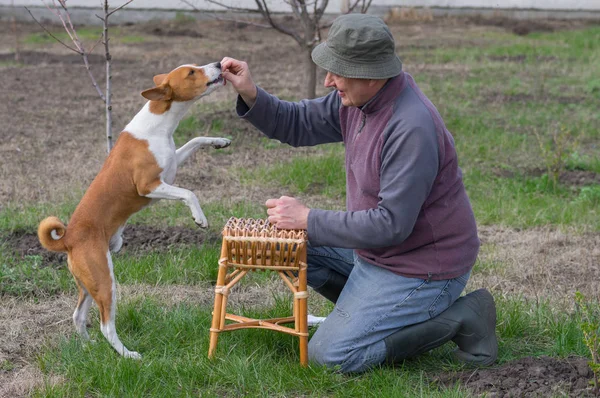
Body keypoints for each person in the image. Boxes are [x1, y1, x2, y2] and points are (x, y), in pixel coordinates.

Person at [220, 13, 497, 373]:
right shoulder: (360, 101)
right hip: (379, 254)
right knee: (291, 241)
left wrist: (309, 218)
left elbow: (391, 226)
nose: (328, 80)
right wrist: (249, 91)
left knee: (330, 356)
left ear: (372, 74)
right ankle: (368, 313)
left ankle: (462, 317)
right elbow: (297, 123)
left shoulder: (411, 127)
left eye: (339, 70)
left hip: (422, 268)